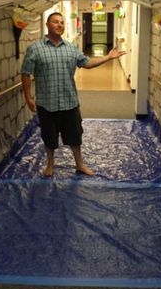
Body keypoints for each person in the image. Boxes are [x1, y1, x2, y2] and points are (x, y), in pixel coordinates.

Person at [21, 12, 126, 177]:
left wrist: (108, 57)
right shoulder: (35, 49)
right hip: (46, 104)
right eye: (55, 22)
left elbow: (87, 63)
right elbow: (25, 73)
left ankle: (79, 164)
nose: (59, 25)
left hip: (69, 102)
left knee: (75, 136)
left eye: (62, 23)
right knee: (49, 137)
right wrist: (28, 97)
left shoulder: (71, 48)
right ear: (47, 25)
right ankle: (50, 164)